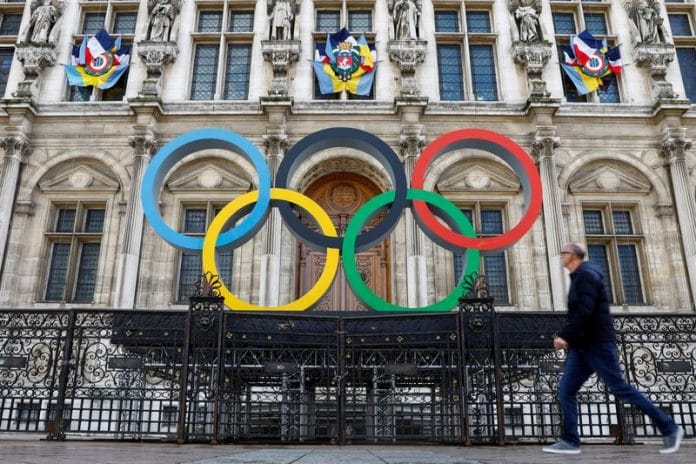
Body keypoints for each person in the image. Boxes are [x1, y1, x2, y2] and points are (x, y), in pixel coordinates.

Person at [543, 242, 683, 455]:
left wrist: (565, 335)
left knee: (620, 388)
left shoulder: (586, 276)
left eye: (563, 253)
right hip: (583, 347)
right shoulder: (581, 276)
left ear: (571, 255)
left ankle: (670, 428)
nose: (561, 256)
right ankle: (570, 441)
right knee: (566, 389)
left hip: (598, 345)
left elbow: (585, 311)